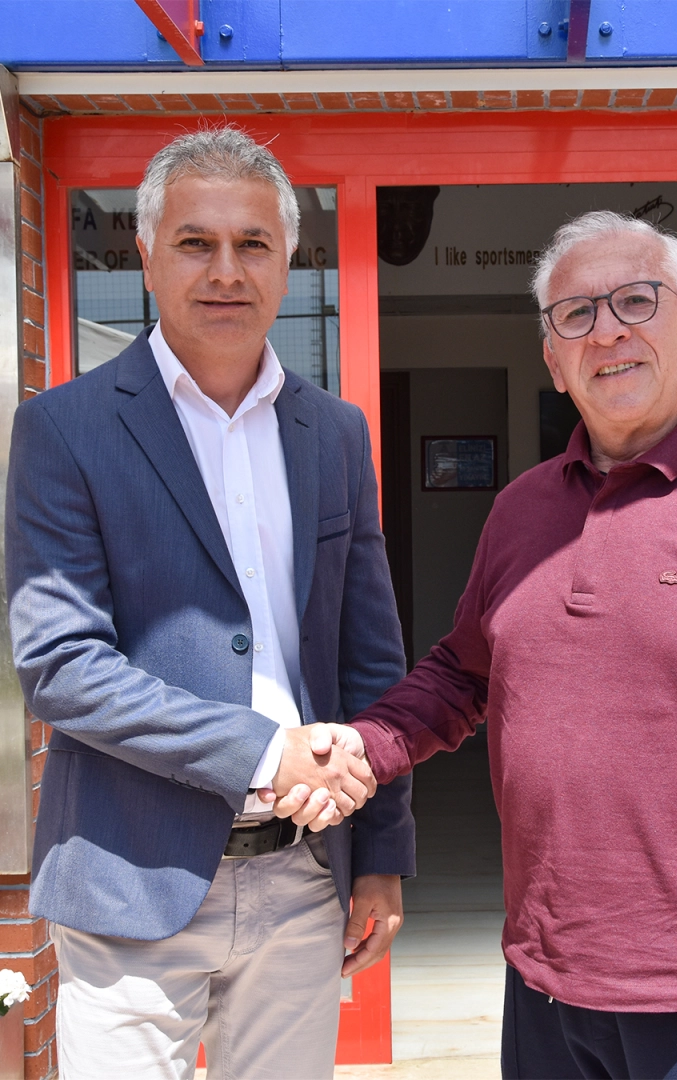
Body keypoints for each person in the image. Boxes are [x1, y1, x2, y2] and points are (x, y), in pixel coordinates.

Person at [291, 210, 677, 1079]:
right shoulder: (521, 510)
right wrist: (365, 746)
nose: (608, 332)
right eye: (577, 314)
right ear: (554, 362)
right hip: (547, 985)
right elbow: (462, 675)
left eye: (638, 301)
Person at [5, 127, 414, 1080]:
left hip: (304, 878)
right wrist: (266, 751)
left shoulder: (335, 433)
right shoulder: (63, 430)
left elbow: (371, 661)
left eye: (252, 244)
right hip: (130, 879)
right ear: (146, 256)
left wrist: (382, 852)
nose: (226, 270)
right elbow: (60, 665)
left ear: (287, 262)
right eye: (196, 242)